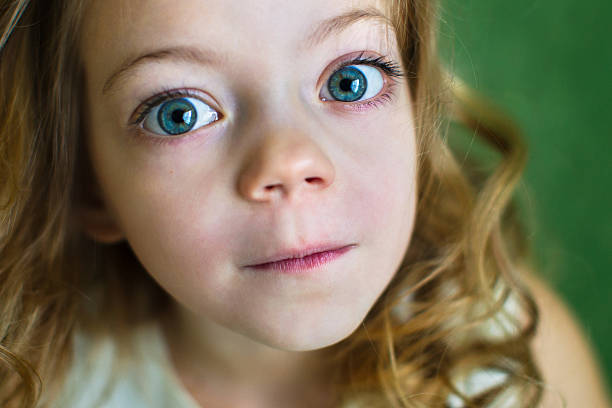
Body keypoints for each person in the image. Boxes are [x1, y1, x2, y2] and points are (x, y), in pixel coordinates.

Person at [0, 0, 610, 407]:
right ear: (88, 184)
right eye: (178, 113)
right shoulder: (46, 387)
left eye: (352, 80)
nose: (288, 164)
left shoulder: (516, 364)